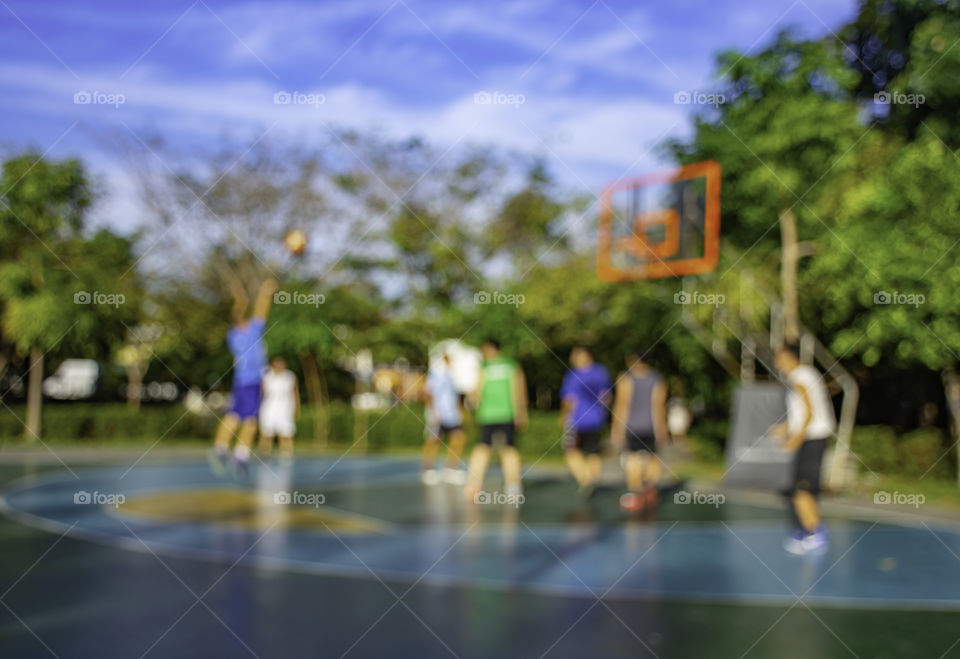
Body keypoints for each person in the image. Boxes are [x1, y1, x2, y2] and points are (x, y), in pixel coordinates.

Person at [771, 344, 836, 555]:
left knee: (802, 487)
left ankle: (814, 533)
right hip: (810, 437)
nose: (776, 363)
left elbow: (809, 411)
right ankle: (809, 530)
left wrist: (795, 439)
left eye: (779, 358)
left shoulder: (800, 377)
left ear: (790, 357)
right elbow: (802, 412)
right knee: (801, 487)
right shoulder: (804, 375)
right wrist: (785, 429)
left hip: (812, 439)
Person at [209, 277, 278, 477]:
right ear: (243, 320)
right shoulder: (251, 331)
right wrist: (265, 292)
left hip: (241, 381)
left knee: (234, 415)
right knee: (250, 420)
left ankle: (220, 448)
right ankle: (240, 455)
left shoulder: (232, 336)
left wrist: (239, 296)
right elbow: (260, 310)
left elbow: (243, 311)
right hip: (252, 381)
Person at [464, 340, 528, 502]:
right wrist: (521, 412)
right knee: (508, 448)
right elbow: (519, 390)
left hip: (488, 414)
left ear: (489, 349)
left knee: (484, 447)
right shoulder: (512, 365)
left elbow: (476, 392)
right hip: (506, 414)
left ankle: (474, 484)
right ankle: (513, 486)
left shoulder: (484, 367)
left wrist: (469, 400)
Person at [611, 352, 667, 512]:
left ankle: (635, 492)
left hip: (632, 425)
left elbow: (622, 405)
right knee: (653, 458)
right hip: (650, 425)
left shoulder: (626, 378)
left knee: (632, 459)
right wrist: (661, 428)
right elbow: (658, 406)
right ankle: (649, 488)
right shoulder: (657, 379)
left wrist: (616, 429)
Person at [560, 346, 612, 497]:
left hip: (577, 419)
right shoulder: (601, 372)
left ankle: (585, 479)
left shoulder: (573, 375)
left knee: (570, 451)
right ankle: (592, 480)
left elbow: (569, 400)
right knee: (593, 451)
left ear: (585, 356)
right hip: (596, 418)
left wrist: (564, 416)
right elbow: (606, 395)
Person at [421, 353, 468, 485]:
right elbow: (428, 394)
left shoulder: (451, 376)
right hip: (438, 414)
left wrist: (458, 411)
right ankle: (427, 470)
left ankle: (450, 469)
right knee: (433, 440)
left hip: (451, 415)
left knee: (459, 439)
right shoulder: (436, 374)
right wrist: (433, 412)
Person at [259, 355, 299, 459]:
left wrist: (296, 409)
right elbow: (261, 393)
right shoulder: (266, 377)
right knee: (267, 434)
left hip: (285, 409)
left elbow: (295, 394)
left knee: (286, 434)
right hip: (268, 409)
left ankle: (286, 457)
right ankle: (265, 456)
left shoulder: (290, 376)